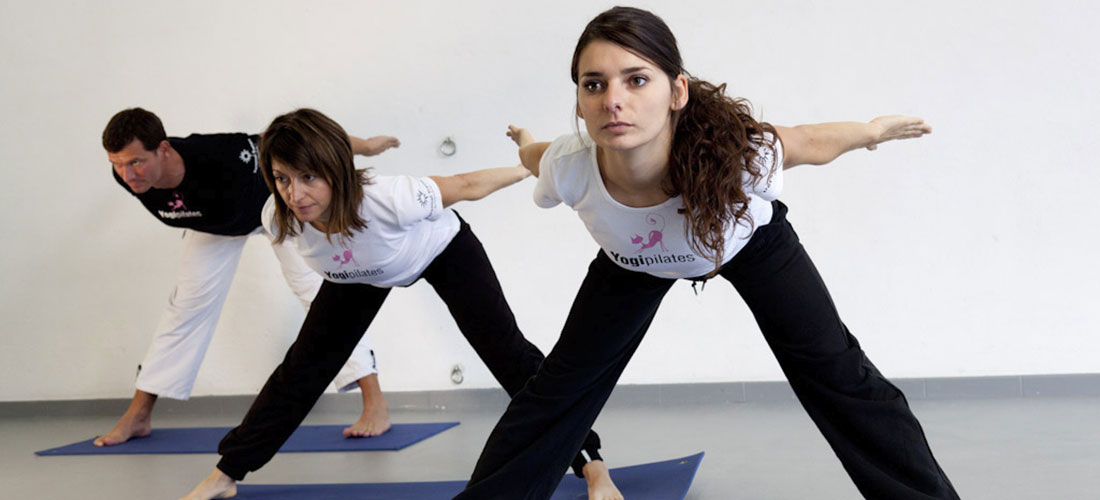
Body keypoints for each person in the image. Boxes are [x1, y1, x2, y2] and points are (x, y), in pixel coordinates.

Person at [457, 7, 960, 500]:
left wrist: (870, 132)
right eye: (594, 84)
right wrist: (523, 139)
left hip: (747, 244)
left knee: (838, 372)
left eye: (636, 80)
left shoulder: (736, 155)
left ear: (676, 91)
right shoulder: (569, 167)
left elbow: (808, 141)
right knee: (558, 390)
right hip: (632, 260)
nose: (613, 101)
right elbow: (534, 154)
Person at [178, 108, 621, 500]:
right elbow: (299, 196)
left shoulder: (388, 198)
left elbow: (466, 185)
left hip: (441, 251)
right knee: (301, 370)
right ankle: (227, 472)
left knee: (507, 353)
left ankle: (591, 465)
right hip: (360, 273)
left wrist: (532, 169)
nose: (295, 194)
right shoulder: (280, 217)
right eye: (282, 178)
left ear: (335, 170)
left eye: (308, 177)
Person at [99, 108, 398, 447]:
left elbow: (298, 144)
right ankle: (139, 415)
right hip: (215, 225)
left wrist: (364, 147)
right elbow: (147, 182)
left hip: (276, 209)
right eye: (117, 163)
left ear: (164, 150)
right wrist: (129, 168)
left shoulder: (218, 157)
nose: (127, 173)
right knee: (185, 306)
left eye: (136, 162)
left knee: (321, 293)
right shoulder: (127, 176)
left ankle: (374, 401)